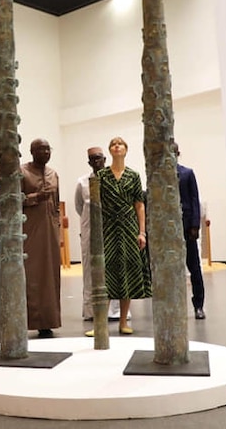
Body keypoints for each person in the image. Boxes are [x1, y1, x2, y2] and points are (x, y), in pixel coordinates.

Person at [88, 137, 151, 336]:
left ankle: (123, 321)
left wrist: (142, 232)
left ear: (125, 150)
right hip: (108, 227)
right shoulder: (102, 175)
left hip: (128, 226)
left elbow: (139, 205)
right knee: (106, 274)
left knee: (127, 272)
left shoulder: (133, 175)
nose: (117, 146)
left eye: (121, 144)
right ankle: (100, 323)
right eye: (114, 144)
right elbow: (96, 206)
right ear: (110, 150)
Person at [73, 147, 122, 321]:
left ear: (105, 159)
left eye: (99, 158)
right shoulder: (82, 182)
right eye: (92, 159)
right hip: (90, 233)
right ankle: (91, 312)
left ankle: (113, 311)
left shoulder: (115, 179)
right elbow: (79, 206)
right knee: (89, 271)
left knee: (113, 270)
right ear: (89, 162)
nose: (96, 162)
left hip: (111, 232)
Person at [21, 138, 62, 338]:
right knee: (34, 275)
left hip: (51, 232)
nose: (46, 152)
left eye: (48, 149)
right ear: (32, 151)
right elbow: (13, 201)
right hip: (31, 230)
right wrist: (35, 197)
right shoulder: (22, 172)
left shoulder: (53, 174)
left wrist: (58, 228)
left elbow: (56, 205)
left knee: (52, 275)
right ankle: (33, 320)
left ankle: (49, 321)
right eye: (41, 149)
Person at [177, 146, 206, 320]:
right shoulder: (159, 176)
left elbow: (195, 199)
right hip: (168, 230)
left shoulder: (187, 173)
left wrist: (195, 225)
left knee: (194, 268)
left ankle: (199, 306)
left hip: (187, 227)